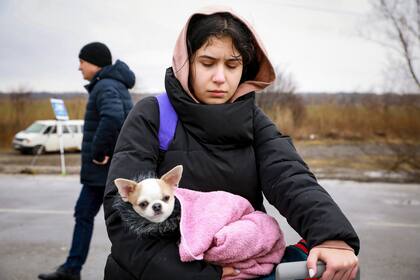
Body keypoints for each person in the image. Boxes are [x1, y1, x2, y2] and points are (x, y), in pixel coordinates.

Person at [103, 7, 359, 280]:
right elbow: (124, 215)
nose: (220, 78)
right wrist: (200, 276)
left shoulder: (252, 120)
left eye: (232, 65)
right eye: (207, 62)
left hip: (241, 267)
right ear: (186, 62)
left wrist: (331, 237)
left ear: (244, 68)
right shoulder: (152, 114)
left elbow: (290, 177)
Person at [38, 42, 135, 280]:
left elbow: (112, 117)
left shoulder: (105, 86)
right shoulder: (114, 84)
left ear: (94, 62)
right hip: (112, 168)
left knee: (93, 216)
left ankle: (73, 269)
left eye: (82, 61)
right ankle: (73, 268)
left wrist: (98, 151)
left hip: (102, 169)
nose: (79, 67)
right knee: (114, 220)